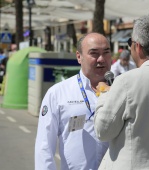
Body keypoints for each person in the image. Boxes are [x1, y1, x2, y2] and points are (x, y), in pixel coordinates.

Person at [94, 15, 149, 170]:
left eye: (130, 43)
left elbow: (103, 131)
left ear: (138, 47)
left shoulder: (127, 81)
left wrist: (104, 95)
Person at [35, 32, 112, 170]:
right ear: (79, 57)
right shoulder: (58, 93)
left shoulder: (123, 89)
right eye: (94, 53)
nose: (101, 59)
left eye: (106, 52)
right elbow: (44, 145)